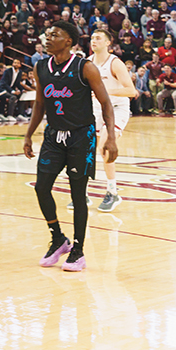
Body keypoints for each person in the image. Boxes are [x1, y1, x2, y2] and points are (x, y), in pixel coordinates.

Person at [24, 20, 117, 273]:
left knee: (77, 196)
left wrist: (111, 137)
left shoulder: (84, 67)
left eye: (54, 34)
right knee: (42, 187)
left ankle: (78, 249)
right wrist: (28, 134)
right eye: (47, 33)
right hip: (54, 136)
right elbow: (40, 105)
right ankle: (58, 238)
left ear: (68, 41)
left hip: (81, 137)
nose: (47, 37)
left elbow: (106, 103)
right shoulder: (40, 67)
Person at [88, 29, 136, 212]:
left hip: (116, 108)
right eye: (92, 38)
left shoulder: (115, 63)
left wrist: (104, 92)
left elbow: (131, 91)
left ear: (108, 43)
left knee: (105, 147)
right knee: (85, 147)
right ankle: (82, 193)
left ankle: (112, 192)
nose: (94, 41)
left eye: (98, 38)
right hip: (96, 109)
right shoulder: (88, 62)